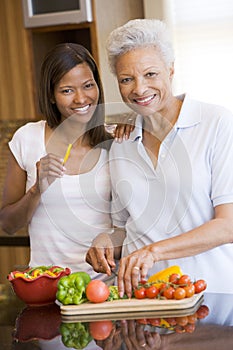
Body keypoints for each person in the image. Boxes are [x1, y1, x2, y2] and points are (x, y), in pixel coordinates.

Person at [86, 19, 233, 295]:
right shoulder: (121, 142)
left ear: (171, 69)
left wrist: (154, 252)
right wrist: (106, 240)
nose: (139, 89)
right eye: (126, 79)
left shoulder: (217, 124)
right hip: (146, 302)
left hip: (213, 299)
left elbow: (228, 225)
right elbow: (124, 227)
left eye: (151, 74)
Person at [0, 43, 116, 279]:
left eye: (88, 86)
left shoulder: (115, 142)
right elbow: (8, 225)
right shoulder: (27, 139)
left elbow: (134, 223)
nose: (81, 98)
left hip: (105, 290)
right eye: (67, 90)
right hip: (47, 287)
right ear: (51, 96)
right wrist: (36, 191)